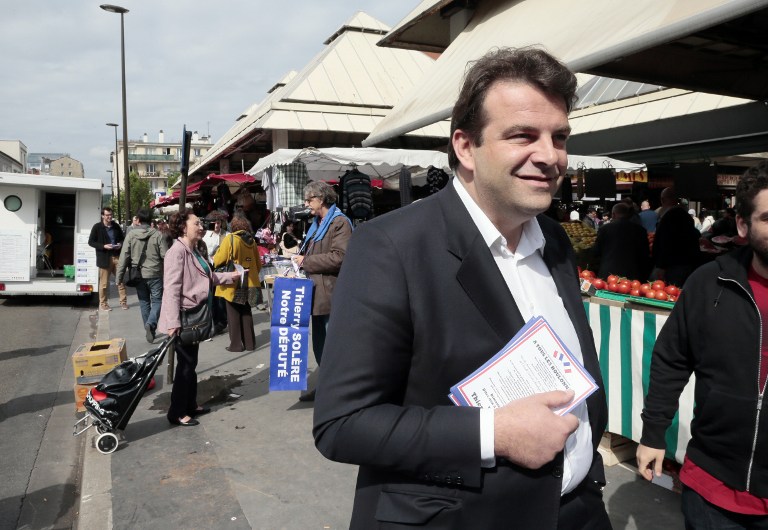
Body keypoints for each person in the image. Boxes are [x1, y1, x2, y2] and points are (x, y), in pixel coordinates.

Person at [312, 47, 609, 529]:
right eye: (522, 136)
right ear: (466, 147)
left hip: (577, 510)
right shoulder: (389, 246)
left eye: (560, 137)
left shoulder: (553, 239)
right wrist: (493, 432)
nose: (550, 156)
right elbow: (342, 425)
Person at [637, 160, 768, 528]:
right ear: (743, 225)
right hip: (711, 487)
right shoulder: (709, 284)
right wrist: (652, 435)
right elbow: (671, 359)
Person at [157, 210, 240, 427]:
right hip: (184, 318)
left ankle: (190, 404)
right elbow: (172, 289)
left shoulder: (193, 250)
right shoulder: (177, 252)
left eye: (201, 222)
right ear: (183, 227)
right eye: (196, 223)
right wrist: (173, 322)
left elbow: (208, 277)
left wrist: (230, 277)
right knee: (185, 365)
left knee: (190, 364)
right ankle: (176, 412)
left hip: (194, 317)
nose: (201, 226)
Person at [292, 181, 353, 402]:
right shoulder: (317, 223)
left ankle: (341, 392)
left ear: (323, 199)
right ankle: (327, 388)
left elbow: (340, 257)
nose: (306, 203)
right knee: (320, 346)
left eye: (310, 199)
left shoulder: (339, 222)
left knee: (334, 346)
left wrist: (306, 261)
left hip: (331, 293)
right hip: (316, 294)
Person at [116, 208, 169, 343]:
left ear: (138, 220)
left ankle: (149, 327)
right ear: (151, 220)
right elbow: (166, 256)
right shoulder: (157, 235)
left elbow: (124, 257)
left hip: (138, 275)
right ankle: (151, 324)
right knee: (158, 301)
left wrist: (119, 277)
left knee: (144, 302)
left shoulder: (131, 235)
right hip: (155, 274)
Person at [213, 215, 261, 352]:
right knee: (246, 311)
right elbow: (258, 264)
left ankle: (236, 345)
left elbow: (218, 260)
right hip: (249, 281)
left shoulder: (230, 239)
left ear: (233, 226)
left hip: (233, 282)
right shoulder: (252, 242)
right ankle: (250, 343)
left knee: (233, 313)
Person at [593, 202, 652, 281]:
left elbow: (596, 251)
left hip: (608, 274)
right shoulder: (640, 230)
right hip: (632, 275)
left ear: (613, 214)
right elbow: (645, 254)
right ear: (628, 215)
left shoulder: (604, 229)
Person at [88, 207, 128, 311]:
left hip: (116, 256)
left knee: (120, 281)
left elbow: (123, 239)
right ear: (102, 216)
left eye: (110, 215)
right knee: (104, 284)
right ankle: (103, 304)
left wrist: (120, 244)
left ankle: (123, 302)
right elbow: (91, 242)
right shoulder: (97, 227)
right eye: (107, 215)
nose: (109, 217)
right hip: (104, 258)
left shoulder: (116, 226)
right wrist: (103, 246)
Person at [651, 206, 702, 286]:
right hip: (687, 262)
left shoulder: (668, 220)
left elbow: (665, 243)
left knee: (670, 288)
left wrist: (661, 265)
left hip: (672, 265)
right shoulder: (686, 220)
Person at [202, 218, 229, 335]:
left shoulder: (227, 235)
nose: (217, 225)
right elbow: (204, 251)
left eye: (218, 222)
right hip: (210, 266)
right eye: (215, 222)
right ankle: (215, 321)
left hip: (223, 267)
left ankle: (222, 321)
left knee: (221, 296)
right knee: (213, 295)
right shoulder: (206, 235)